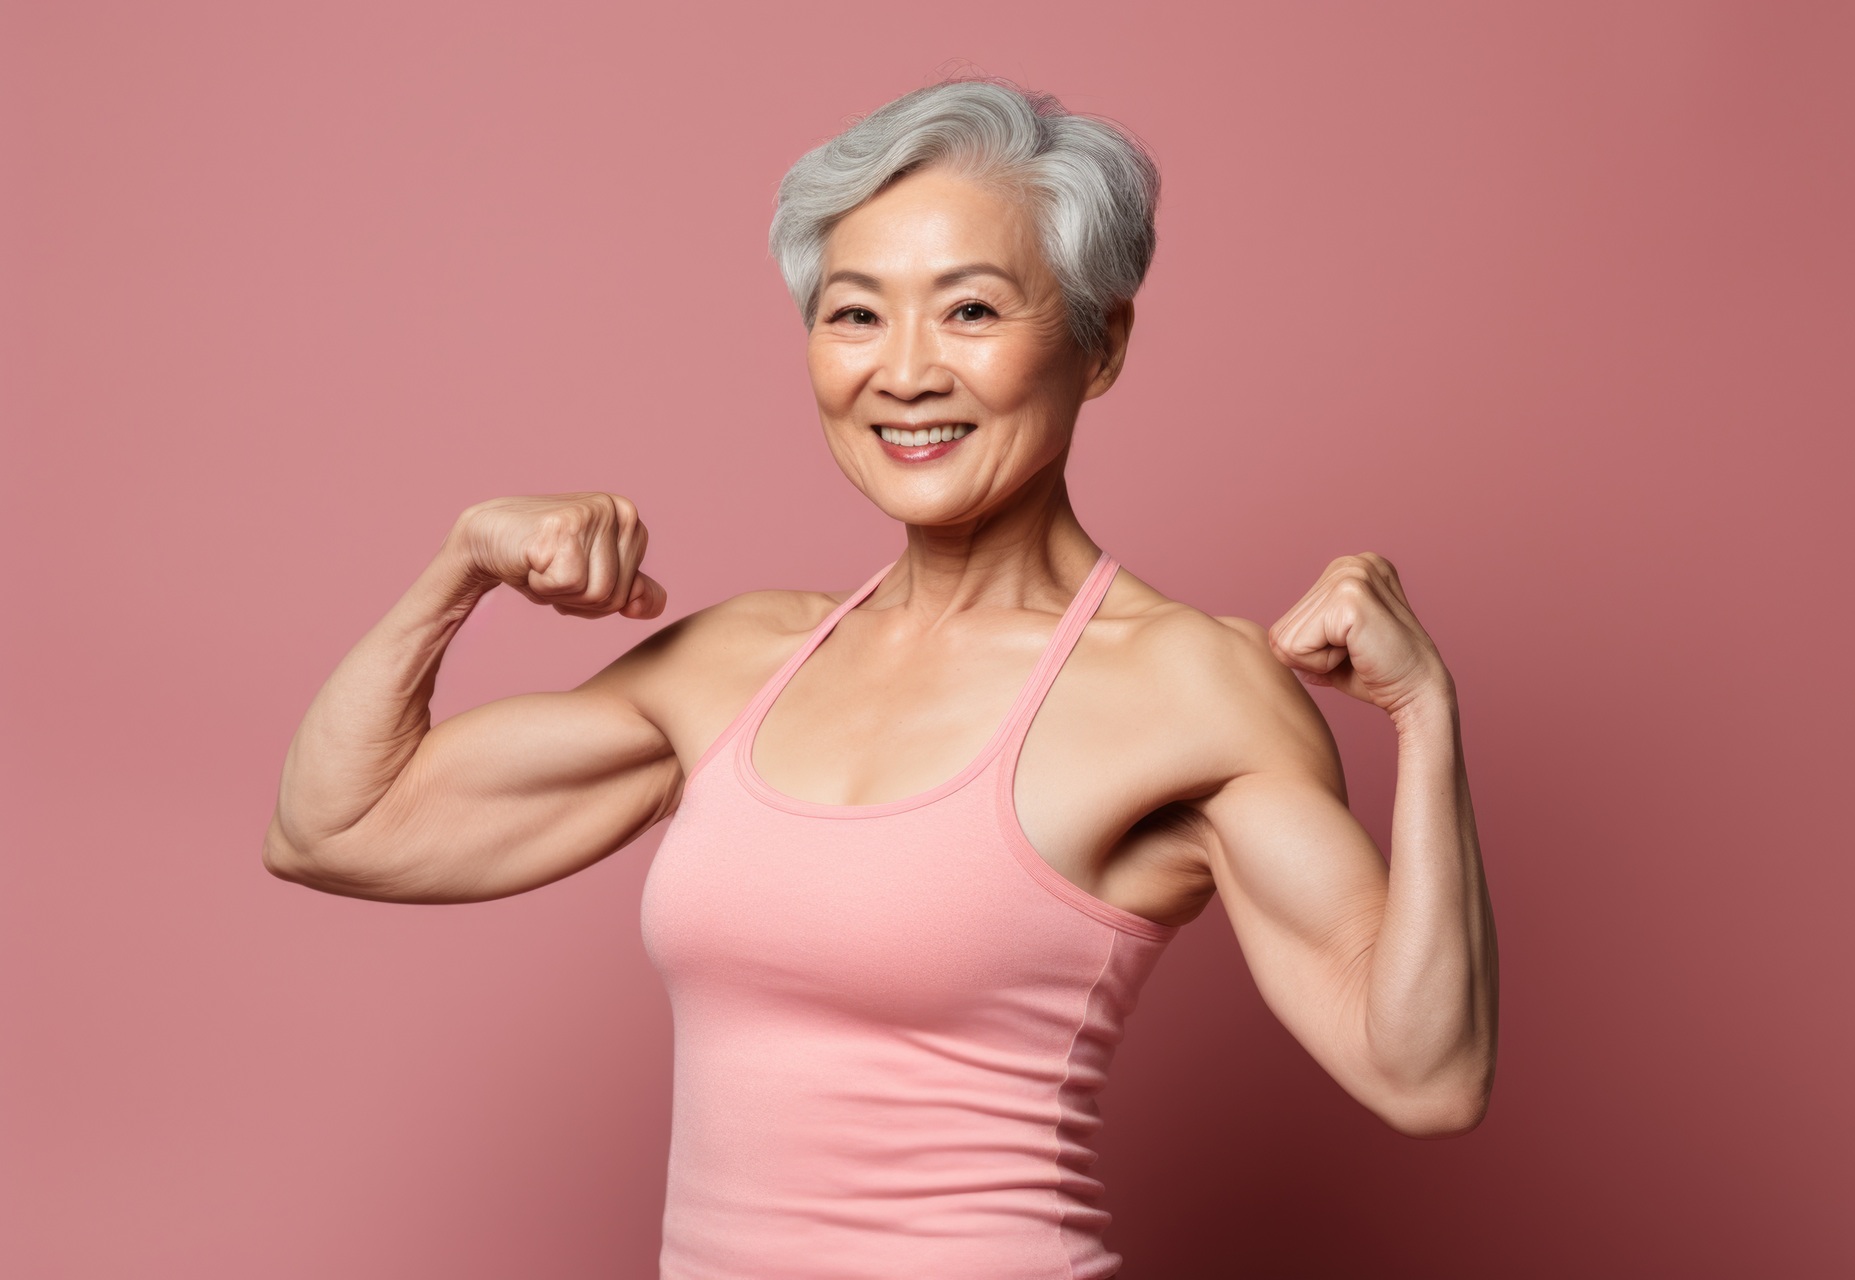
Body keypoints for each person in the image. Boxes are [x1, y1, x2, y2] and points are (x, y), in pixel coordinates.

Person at [264, 78, 1498, 1280]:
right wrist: (457, 568)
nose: (903, 372)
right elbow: (336, 826)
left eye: (969, 311)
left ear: (1100, 340)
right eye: (855, 314)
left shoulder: (1186, 685)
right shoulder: (736, 660)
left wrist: (1423, 713)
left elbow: (1425, 1072)